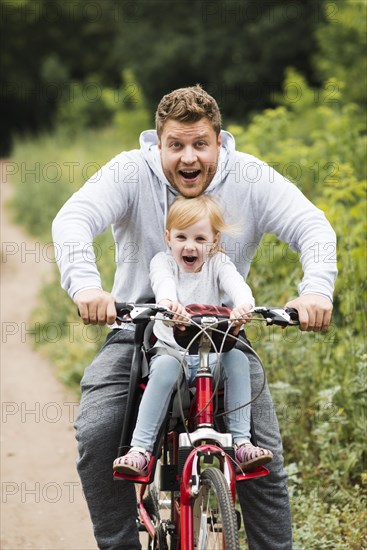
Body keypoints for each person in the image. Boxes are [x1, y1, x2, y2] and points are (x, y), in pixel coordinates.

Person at [52, 85, 337, 549]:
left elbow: (313, 228)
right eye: (176, 145)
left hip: (222, 332)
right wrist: (86, 286)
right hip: (139, 328)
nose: (189, 158)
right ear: (157, 144)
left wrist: (316, 292)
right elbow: (73, 219)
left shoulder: (250, 177)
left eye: (200, 144)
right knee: (97, 432)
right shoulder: (129, 171)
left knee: (263, 460)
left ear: (219, 142)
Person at [113, 195, 273, 476]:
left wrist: (244, 305)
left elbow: (236, 284)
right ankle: (140, 450)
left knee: (237, 360)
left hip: (210, 354)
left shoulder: (218, 263)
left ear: (214, 241)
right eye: (181, 237)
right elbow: (163, 284)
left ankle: (241, 443)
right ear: (168, 237)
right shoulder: (163, 262)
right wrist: (169, 303)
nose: (190, 246)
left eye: (200, 239)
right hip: (173, 352)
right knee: (163, 368)